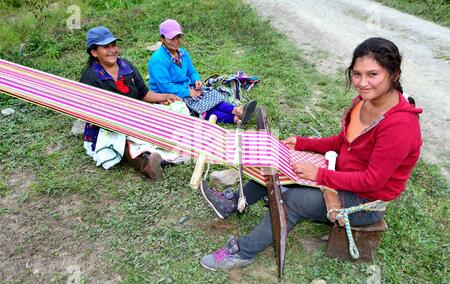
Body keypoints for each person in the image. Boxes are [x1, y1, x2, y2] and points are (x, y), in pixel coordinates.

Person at [199, 37, 423, 270]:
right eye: (357, 74)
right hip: (342, 174)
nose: (362, 83)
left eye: (372, 74)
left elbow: (372, 181)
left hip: (365, 201)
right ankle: (232, 202)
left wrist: (319, 175)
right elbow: (343, 142)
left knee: (292, 201)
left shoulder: (400, 126)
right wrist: (303, 143)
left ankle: (243, 252)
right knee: (277, 160)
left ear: (394, 74)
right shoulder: (364, 102)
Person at [80, 26, 182, 180]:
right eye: (105, 47)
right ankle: (147, 164)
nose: (112, 50)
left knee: (176, 108)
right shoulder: (90, 77)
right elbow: (89, 112)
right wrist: (120, 120)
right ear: (94, 52)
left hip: (135, 116)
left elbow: (143, 93)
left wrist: (165, 96)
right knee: (124, 139)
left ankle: (163, 146)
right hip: (108, 125)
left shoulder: (126, 67)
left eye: (113, 45)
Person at [148, 19, 257, 125]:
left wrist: (197, 81)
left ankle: (237, 110)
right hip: (167, 95)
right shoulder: (158, 60)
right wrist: (189, 93)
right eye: (171, 38)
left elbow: (191, 72)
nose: (176, 41)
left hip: (186, 88)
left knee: (206, 94)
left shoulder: (183, 54)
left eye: (178, 37)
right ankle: (235, 119)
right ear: (162, 38)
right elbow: (165, 87)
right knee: (197, 106)